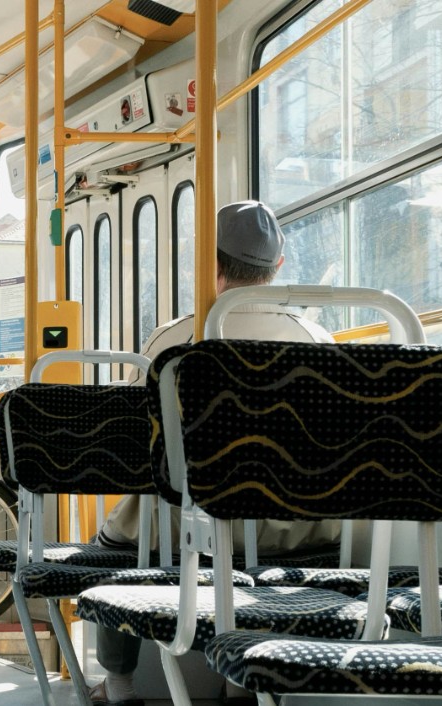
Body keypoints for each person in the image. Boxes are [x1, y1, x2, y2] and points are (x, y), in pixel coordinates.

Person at [89, 200, 340, 706]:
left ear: (209, 263)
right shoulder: (319, 341)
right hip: (298, 531)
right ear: (278, 267)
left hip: (187, 528)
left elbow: (136, 444)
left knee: (110, 546)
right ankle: (239, 681)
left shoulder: (172, 340)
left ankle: (119, 684)